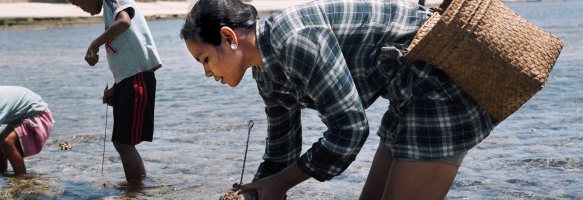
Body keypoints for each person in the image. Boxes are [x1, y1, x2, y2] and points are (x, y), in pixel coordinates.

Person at [180, 0, 498, 199]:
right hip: (407, 97)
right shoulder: (265, 69)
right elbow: (281, 150)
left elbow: (350, 130)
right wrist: (254, 191)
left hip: (440, 84)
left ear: (228, 38)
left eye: (205, 59)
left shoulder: (294, 39)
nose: (208, 73)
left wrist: (282, 183)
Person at [68, 0, 162, 189]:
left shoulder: (113, 1)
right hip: (129, 79)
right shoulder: (109, 8)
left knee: (123, 143)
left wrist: (94, 44)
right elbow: (127, 52)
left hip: (137, 78)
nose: (81, 9)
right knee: (124, 143)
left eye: (79, 4)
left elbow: (124, 21)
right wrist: (116, 87)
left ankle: (135, 190)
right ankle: (138, 185)